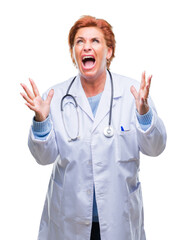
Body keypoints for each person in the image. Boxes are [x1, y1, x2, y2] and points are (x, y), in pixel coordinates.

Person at [20, 15, 167, 240]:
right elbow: (44, 157)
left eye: (95, 41)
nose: (86, 46)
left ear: (108, 52)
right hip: (69, 218)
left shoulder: (133, 94)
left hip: (119, 217)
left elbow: (155, 148)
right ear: (73, 53)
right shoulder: (55, 97)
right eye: (79, 42)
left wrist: (144, 114)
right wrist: (41, 120)